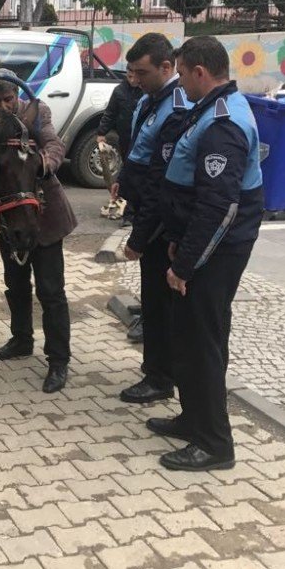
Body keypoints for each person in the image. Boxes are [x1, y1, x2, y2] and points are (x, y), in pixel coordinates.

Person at [152, 35, 263, 472]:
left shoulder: (223, 123)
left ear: (200, 72)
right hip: (203, 247)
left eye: (181, 74)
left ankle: (214, 444)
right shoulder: (215, 106)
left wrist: (184, 265)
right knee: (191, 338)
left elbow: (220, 207)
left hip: (217, 252)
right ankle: (193, 419)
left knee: (204, 344)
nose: (179, 82)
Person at [0, 77, 77, 393]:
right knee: (15, 283)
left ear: (16, 96)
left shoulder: (37, 113)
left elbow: (54, 146)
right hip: (11, 219)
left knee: (51, 291)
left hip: (44, 215)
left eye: (7, 99)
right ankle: (22, 340)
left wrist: (39, 164)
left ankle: (58, 361)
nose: (2, 107)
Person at [114, 33, 185, 403]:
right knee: (153, 301)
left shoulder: (176, 106)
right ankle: (156, 369)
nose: (136, 79)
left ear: (166, 67)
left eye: (142, 72)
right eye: (132, 72)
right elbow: (139, 151)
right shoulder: (149, 99)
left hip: (160, 221)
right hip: (144, 208)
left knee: (159, 304)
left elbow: (162, 182)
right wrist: (121, 181)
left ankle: (159, 378)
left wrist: (139, 238)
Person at [97, 67, 143, 158]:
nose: (133, 80)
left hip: (141, 138)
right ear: (127, 73)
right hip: (124, 137)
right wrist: (101, 133)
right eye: (130, 76)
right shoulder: (119, 90)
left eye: (136, 76)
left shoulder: (147, 90)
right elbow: (110, 113)